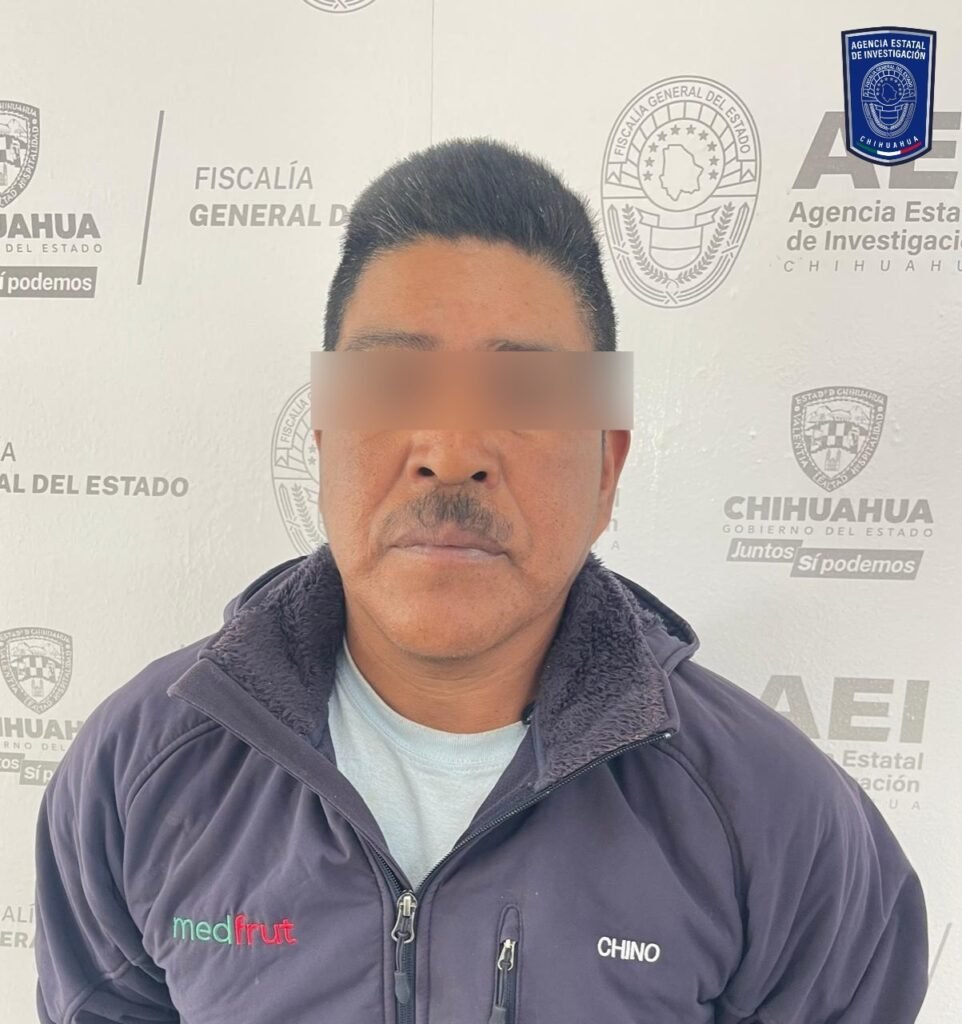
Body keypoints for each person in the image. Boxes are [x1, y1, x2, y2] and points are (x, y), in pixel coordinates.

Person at [34, 137, 928, 1024]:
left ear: (607, 467)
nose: (452, 449)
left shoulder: (773, 816)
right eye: (394, 381)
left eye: (524, 392)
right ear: (324, 440)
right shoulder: (141, 773)